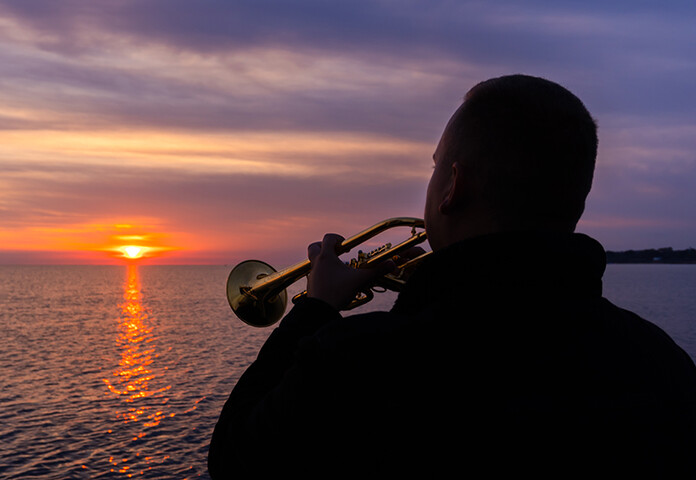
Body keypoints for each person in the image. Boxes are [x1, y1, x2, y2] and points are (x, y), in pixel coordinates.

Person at [208, 74, 696, 479]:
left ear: (453, 187)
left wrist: (315, 308)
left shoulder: (362, 361)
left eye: (437, 165)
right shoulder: (665, 364)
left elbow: (233, 460)